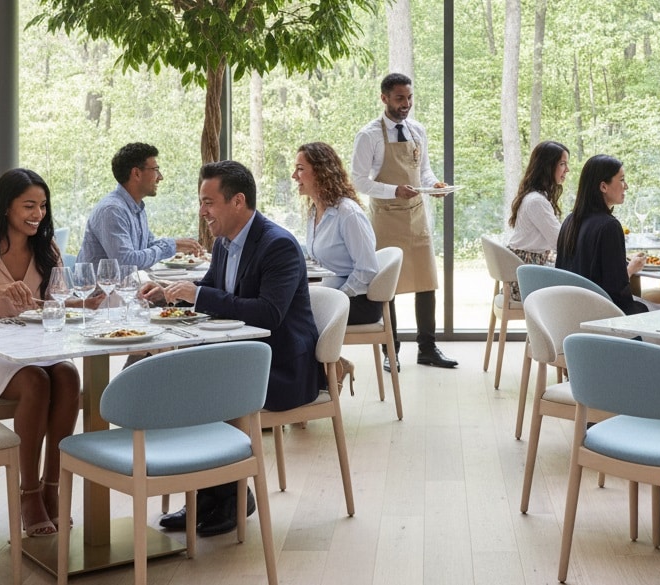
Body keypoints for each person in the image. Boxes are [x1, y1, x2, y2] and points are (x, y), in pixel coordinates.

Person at [144, 160, 324, 537]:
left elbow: (269, 314)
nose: (202, 211)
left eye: (209, 202)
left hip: (280, 367)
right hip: (239, 361)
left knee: (198, 388)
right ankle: (209, 497)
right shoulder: (225, 243)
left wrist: (199, 295)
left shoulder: (278, 246)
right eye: (201, 201)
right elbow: (212, 294)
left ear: (238, 201)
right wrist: (167, 298)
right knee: (182, 380)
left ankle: (232, 495)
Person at [0, 169, 101, 537]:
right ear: (5, 207)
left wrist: (88, 303)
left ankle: (51, 486)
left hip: (30, 352)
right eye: (29, 205)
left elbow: (55, 304)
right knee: (35, 382)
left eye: (43, 205)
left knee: (66, 375)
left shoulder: (46, 250)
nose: (38, 213)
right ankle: (28, 493)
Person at [351, 72, 457, 372]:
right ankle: (390, 350)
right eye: (399, 98)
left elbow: (423, 172)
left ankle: (427, 348)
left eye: (409, 98)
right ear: (384, 98)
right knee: (389, 287)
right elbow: (359, 181)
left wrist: (435, 185)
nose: (406, 104)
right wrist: (393, 190)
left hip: (417, 215)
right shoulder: (369, 135)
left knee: (427, 283)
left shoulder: (417, 131)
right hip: (386, 219)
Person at [296, 141, 380, 393]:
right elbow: (317, 257)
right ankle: (328, 371)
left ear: (321, 172)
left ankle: (309, 388)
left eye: (300, 169)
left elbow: (366, 269)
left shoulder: (348, 214)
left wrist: (336, 298)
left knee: (295, 318)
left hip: (358, 300)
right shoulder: (315, 212)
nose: (294, 176)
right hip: (334, 294)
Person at [556, 154, 660, 315]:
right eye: (621, 180)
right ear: (603, 186)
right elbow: (617, 291)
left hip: (572, 314)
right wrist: (628, 270)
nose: (626, 186)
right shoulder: (609, 226)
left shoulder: (569, 221)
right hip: (605, 317)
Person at [77, 142, 204, 269]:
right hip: (100, 288)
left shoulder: (136, 207)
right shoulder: (112, 210)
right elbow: (127, 263)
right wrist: (171, 246)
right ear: (136, 173)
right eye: (156, 170)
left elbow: (148, 246)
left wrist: (179, 245)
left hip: (123, 287)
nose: (160, 177)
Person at [507, 140, 570, 301]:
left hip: (523, 271)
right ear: (547, 166)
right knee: (580, 288)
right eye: (562, 164)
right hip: (525, 279)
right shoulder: (537, 201)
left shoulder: (534, 197)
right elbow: (560, 243)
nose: (567, 170)